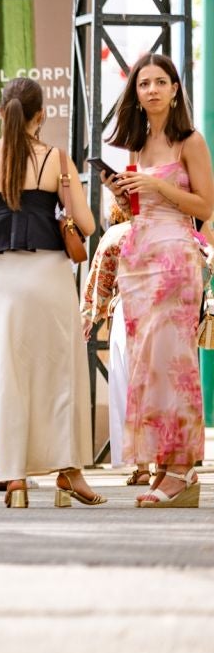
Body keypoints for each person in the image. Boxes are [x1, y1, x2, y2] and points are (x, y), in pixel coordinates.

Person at [0, 76, 101, 507]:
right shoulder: (56, 160)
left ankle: (14, 479)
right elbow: (85, 226)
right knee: (60, 372)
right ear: (40, 116)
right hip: (47, 276)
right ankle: (69, 472)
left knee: (4, 373)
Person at [103, 51, 211, 507]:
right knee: (148, 363)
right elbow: (139, 208)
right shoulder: (137, 144)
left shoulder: (191, 141)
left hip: (176, 258)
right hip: (139, 259)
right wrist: (122, 194)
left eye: (159, 82)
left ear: (174, 89)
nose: (150, 90)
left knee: (176, 362)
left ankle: (183, 467)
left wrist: (158, 187)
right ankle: (164, 465)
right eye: (143, 83)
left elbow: (205, 208)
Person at [80, 201, 135, 474]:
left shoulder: (117, 235)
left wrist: (90, 316)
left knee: (126, 387)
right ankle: (167, 465)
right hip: (167, 312)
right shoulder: (172, 230)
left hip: (129, 311)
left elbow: (99, 280)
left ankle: (140, 465)